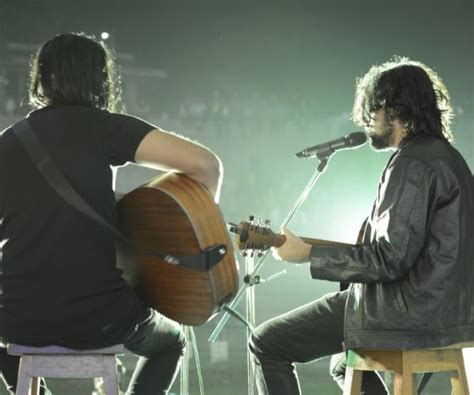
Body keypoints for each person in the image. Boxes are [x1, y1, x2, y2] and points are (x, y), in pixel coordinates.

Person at [0, 32, 223, 394]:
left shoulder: (9, 141)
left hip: (18, 318)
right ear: (100, 79)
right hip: (97, 317)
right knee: (171, 342)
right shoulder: (106, 128)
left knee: (6, 335)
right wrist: (186, 231)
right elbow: (206, 166)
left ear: (42, 78)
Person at [249, 56, 474, 394]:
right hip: (447, 310)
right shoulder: (448, 157)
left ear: (396, 110)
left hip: (407, 312)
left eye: (374, 110)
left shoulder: (412, 163)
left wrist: (309, 254)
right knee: (342, 363)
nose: (368, 119)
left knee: (266, 342)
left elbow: (389, 260)